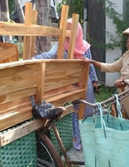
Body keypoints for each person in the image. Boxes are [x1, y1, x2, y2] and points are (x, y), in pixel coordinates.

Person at [83, 18, 129, 158]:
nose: (127, 40)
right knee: (125, 144)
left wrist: (125, 82)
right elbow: (113, 66)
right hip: (123, 106)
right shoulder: (128, 55)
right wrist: (92, 62)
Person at [33, 18, 98, 151]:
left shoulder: (85, 46)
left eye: (71, 28)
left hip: (86, 85)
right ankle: (76, 138)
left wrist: (95, 80)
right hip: (69, 86)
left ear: (77, 31)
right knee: (73, 113)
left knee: (88, 111)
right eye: (66, 28)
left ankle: (87, 136)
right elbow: (48, 55)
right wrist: (34, 59)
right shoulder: (61, 46)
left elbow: (90, 66)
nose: (68, 32)